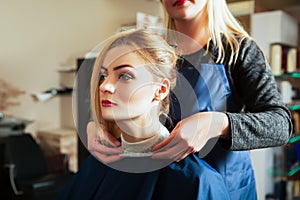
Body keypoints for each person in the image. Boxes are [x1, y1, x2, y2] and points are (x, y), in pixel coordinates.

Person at [87, 0, 293, 199]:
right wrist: (95, 125)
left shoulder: (238, 51)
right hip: (163, 181)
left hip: (224, 186)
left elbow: (281, 124)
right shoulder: (155, 53)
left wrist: (217, 124)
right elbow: (118, 94)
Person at [56, 28, 231, 199]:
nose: (104, 86)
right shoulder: (98, 164)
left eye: (125, 76)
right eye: (103, 76)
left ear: (160, 90)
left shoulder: (197, 181)